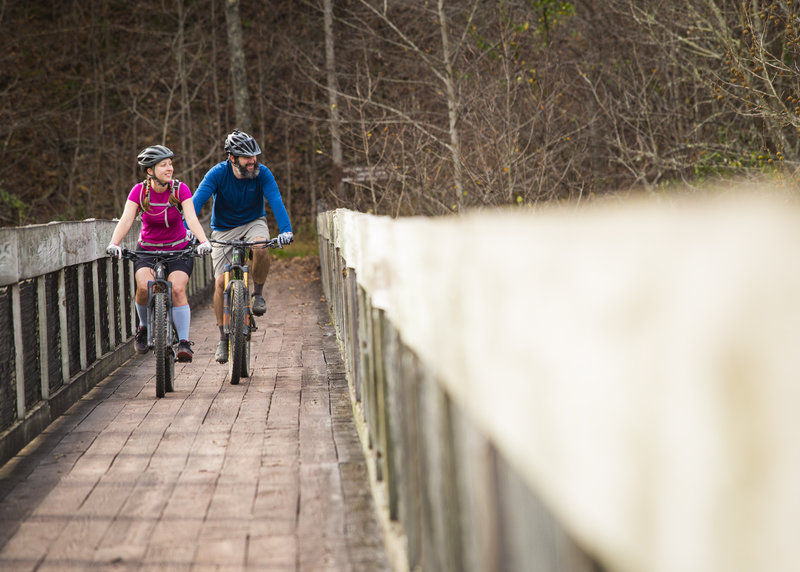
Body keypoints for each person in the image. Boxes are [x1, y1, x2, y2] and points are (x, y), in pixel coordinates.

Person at [192, 129, 293, 363]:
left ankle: (257, 295)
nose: (253, 161)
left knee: (260, 246)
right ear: (232, 158)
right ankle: (222, 339)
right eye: (247, 157)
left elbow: (275, 200)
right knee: (219, 283)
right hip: (223, 228)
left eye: (254, 156)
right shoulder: (217, 174)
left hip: (253, 222)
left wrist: (286, 230)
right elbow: (195, 203)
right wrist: (188, 231)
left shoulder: (262, 173)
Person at [106, 145, 212, 362]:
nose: (169, 168)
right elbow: (126, 219)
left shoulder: (180, 189)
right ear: (149, 171)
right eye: (163, 165)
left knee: (178, 289)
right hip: (147, 250)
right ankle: (144, 327)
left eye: (170, 164)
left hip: (178, 249)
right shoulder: (139, 192)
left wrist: (203, 241)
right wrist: (114, 243)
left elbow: (191, 218)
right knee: (144, 287)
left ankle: (183, 342)